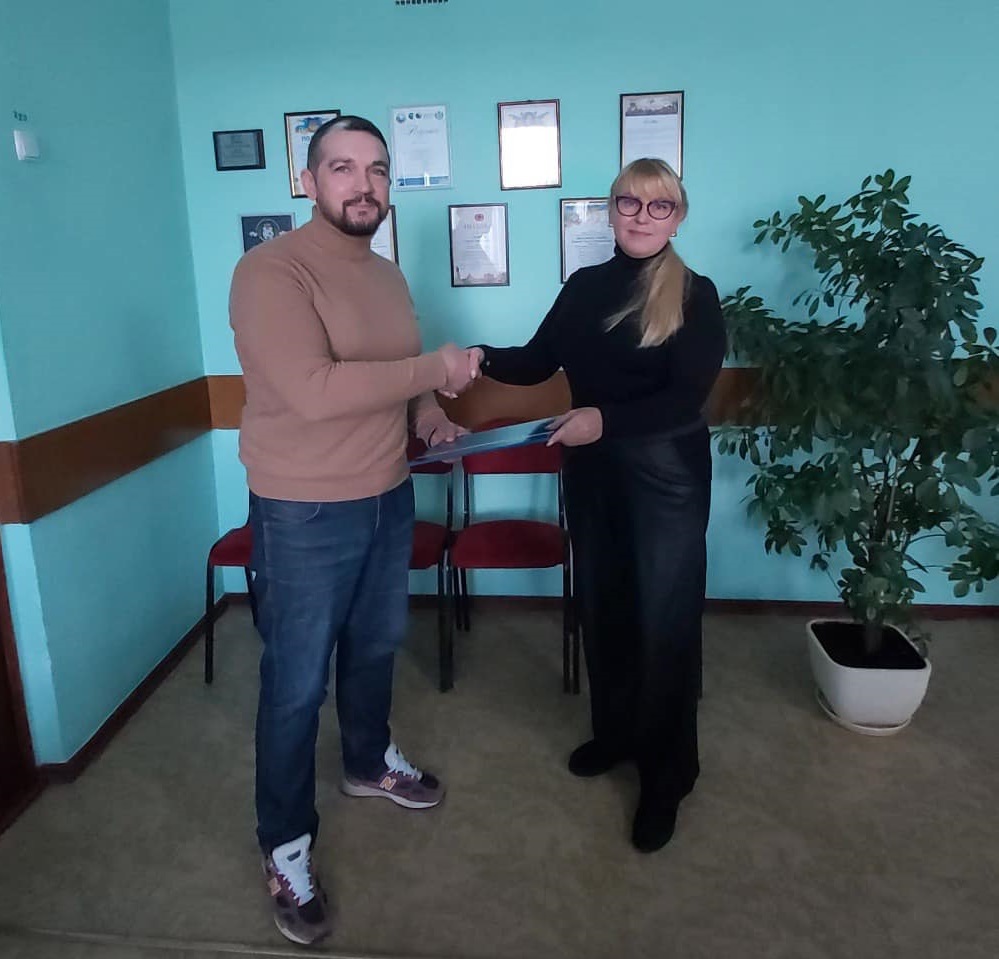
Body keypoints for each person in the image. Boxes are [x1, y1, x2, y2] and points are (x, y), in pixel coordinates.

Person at [229, 115, 480, 945]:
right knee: (296, 684)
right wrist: (435, 368)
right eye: (342, 167)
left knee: (375, 647)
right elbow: (313, 389)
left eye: (376, 168)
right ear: (307, 181)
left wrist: (429, 411)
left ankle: (368, 761)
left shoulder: (387, 274)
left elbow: (396, 374)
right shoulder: (270, 271)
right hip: (303, 509)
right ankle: (284, 845)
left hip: (387, 494)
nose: (362, 183)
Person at [471, 157, 725, 853]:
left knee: (663, 623)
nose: (641, 216)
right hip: (593, 472)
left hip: (666, 477)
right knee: (604, 609)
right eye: (628, 203)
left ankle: (669, 774)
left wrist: (602, 420)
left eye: (658, 205)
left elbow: (685, 400)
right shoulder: (584, 285)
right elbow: (535, 361)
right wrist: (477, 356)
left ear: (678, 217)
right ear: (609, 211)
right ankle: (616, 736)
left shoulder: (695, 293)